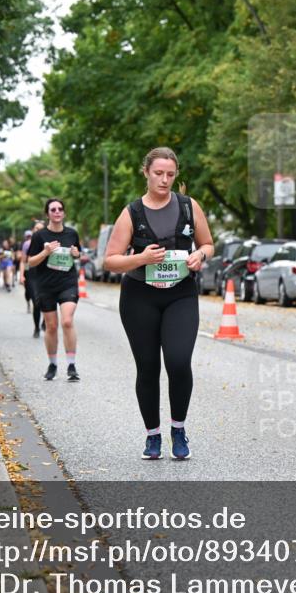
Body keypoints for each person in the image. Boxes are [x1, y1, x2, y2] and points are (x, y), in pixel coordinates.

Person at [104, 147, 214, 460]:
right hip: (140, 297)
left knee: (179, 362)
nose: (164, 180)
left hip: (180, 294)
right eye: (158, 174)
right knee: (148, 367)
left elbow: (208, 243)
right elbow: (110, 260)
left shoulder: (189, 206)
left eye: (170, 174)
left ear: (175, 175)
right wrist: (141, 258)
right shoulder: (132, 212)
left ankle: (178, 429)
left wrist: (200, 255)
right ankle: (152, 435)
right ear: (146, 173)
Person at [27, 199, 82, 381]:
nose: (57, 212)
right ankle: (52, 364)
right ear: (48, 214)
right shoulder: (39, 236)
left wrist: (76, 254)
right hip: (46, 286)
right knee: (51, 326)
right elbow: (31, 262)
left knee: (67, 321)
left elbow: (77, 253)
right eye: (53, 209)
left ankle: (72, 365)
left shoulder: (72, 234)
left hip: (68, 282)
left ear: (64, 213)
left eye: (60, 209)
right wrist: (45, 252)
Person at [19, 223, 45, 337]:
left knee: (48, 301)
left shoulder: (49, 243)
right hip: (32, 275)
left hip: (46, 275)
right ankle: (36, 328)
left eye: (41, 229)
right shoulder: (27, 244)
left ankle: (45, 321)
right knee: (37, 302)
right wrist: (21, 275)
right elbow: (23, 261)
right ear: (33, 230)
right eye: (36, 229)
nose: (38, 231)